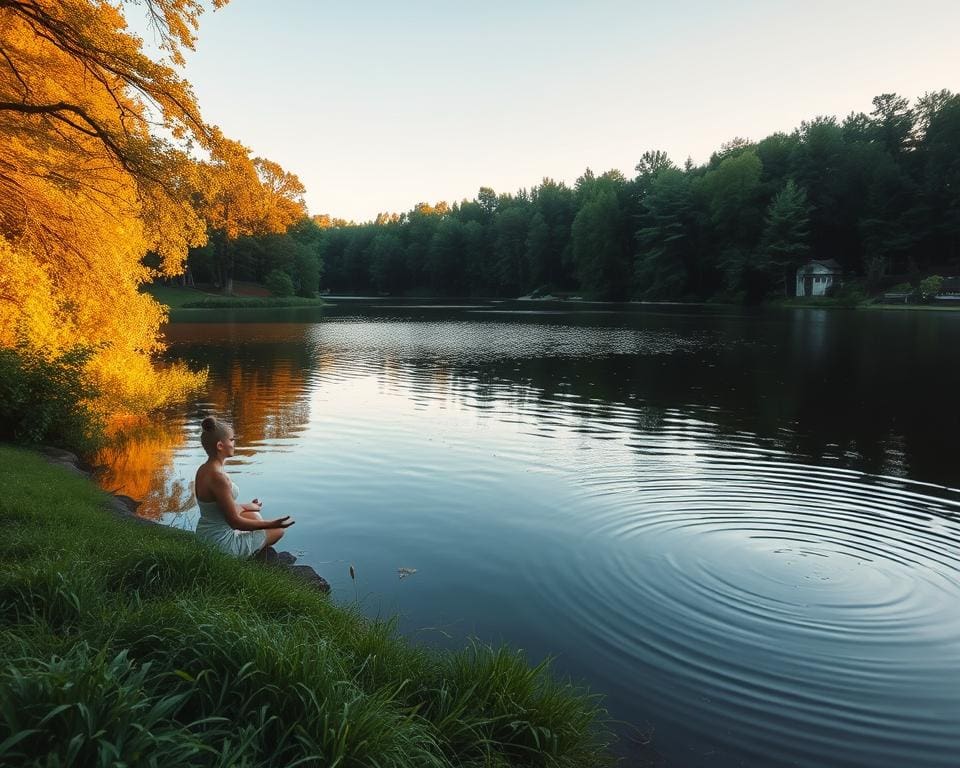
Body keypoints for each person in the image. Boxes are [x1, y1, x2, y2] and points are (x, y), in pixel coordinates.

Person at [194, 416, 294, 557]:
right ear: (220, 446)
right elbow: (235, 522)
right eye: (231, 440)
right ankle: (249, 553)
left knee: (253, 514)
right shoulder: (219, 478)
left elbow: (218, 508)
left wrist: (249, 506)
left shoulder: (203, 469)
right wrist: (272, 523)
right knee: (278, 530)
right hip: (219, 545)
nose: (234, 443)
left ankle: (252, 542)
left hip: (204, 534)